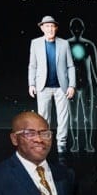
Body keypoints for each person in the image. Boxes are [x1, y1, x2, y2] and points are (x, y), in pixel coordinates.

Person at [28, 15, 75, 154]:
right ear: (42, 28)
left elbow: (70, 66)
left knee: (63, 117)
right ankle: (44, 142)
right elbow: (32, 66)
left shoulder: (64, 44)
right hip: (43, 87)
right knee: (43, 118)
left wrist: (72, 85)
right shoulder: (35, 43)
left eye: (52, 26)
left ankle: (61, 144)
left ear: (56, 28)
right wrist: (31, 84)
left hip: (62, 87)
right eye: (47, 26)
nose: (50, 29)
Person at [67, 18, 97, 153]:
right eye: (75, 28)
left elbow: (95, 67)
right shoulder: (67, 45)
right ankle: (75, 143)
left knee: (88, 117)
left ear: (82, 29)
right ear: (71, 29)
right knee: (73, 117)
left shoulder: (88, 45)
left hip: (86, 84)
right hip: (72, 85)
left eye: (79, 28)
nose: (77, 30)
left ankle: (88, 143)